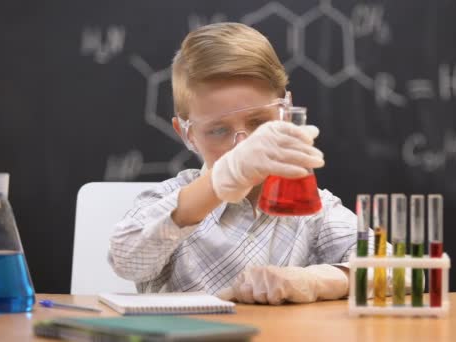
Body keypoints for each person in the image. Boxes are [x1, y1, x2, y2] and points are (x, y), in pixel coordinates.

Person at [108, 22, 407, 305]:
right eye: (218, 130)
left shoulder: (312, 213)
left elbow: (400, 270)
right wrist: (221, 180)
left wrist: (316, 280)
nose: (243, 145)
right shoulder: (166, 200)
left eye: (258, 121)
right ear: (186, 134)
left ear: (286, 111)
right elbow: (125, 259)